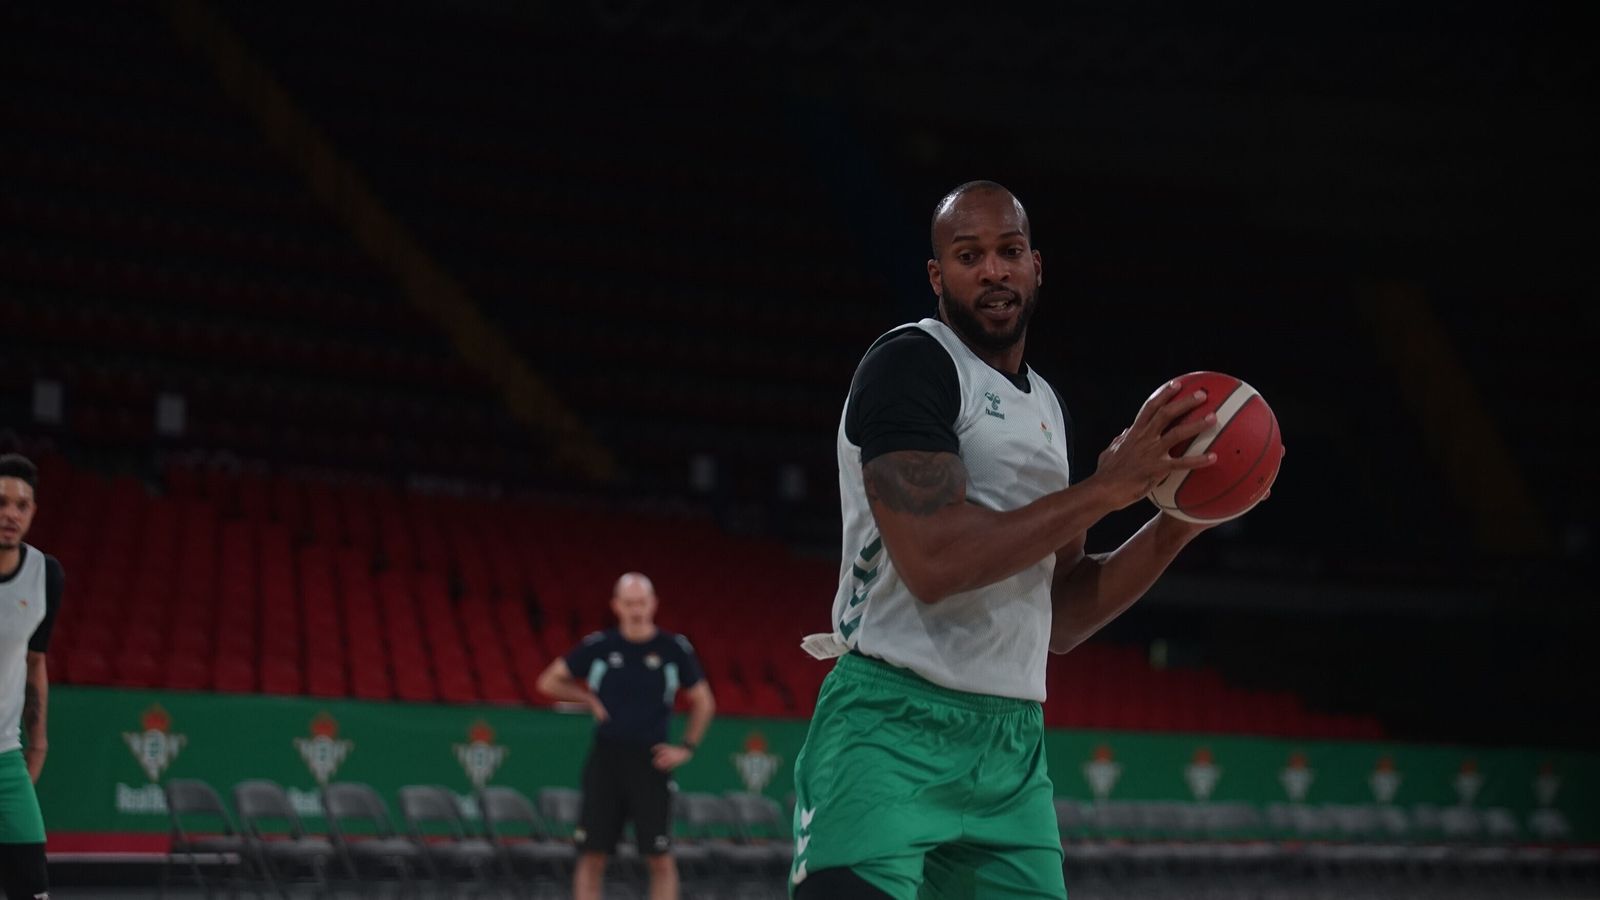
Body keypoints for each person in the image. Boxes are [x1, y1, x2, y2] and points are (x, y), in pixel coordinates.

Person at [790, 181, 1270, 899]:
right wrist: (1108, 489)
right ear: (936, 275)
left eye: (1009, 251)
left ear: (1036, 266)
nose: (993, 270)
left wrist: (1181, 517)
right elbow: (934, 560)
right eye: (969, 255)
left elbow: (1067, 613)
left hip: (1011, 746)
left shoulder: (1045, 406)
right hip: (890, 726)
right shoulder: (909, 366)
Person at [535, 572, 715, 900]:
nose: (636, 610)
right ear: (617, 606)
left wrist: (686, 748)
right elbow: (549, 681)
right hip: (607, 759)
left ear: (654, 604)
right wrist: (587, 698)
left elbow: (704, 701)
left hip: (651, 761)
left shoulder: (673, 648)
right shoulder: (600, 646)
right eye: (629, 603)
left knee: (660, 857)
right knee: (592, 854)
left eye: (642, 602)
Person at [0, 454, 60, 900]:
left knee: (32, 888)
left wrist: (37, 744)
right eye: (1, 502)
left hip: (6, 758)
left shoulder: (45, 575)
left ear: (33, 512)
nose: (10, 514)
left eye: (22, 505)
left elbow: (35, 663)